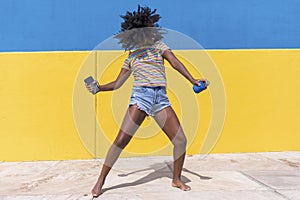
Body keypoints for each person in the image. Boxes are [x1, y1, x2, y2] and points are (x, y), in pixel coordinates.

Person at [86, 5, 209, 198]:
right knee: (120, 141)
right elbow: (118, 83)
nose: (153, 31)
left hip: (160, 98)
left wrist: (192, 79)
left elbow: (175, 63)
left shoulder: (160, 47)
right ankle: (100, 180)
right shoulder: (131, 56)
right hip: (141, 98)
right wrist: (99, 87)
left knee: (180, 140)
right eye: (149, 28)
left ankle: (176, 179)